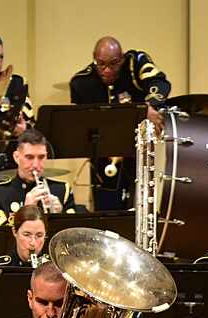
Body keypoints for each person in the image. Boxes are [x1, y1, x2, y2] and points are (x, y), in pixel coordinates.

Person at [69, 36, 172, 211]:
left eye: (114, 64)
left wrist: (147, 107)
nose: (107, 70)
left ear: (122, 58)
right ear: (94, 58)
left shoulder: (135, 64)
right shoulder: (82, 83)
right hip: (103, 160)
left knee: (141, 207)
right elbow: (79, 123)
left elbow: (160, 83)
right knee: (107, 210)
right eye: (101, 64)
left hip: (139, 155)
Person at [0, 129, 77, 225]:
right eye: (29, 157)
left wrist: (59, 216)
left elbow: (73, 234)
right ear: (16, 157)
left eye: (41, 157)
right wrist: (26, 211)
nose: (36, 165)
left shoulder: (62, 190)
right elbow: (1, 236)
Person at [0, 206, 49, 270]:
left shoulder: (54, 269)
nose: (33, 243)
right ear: (14, 232)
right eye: (27, 235)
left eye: (39, 236)